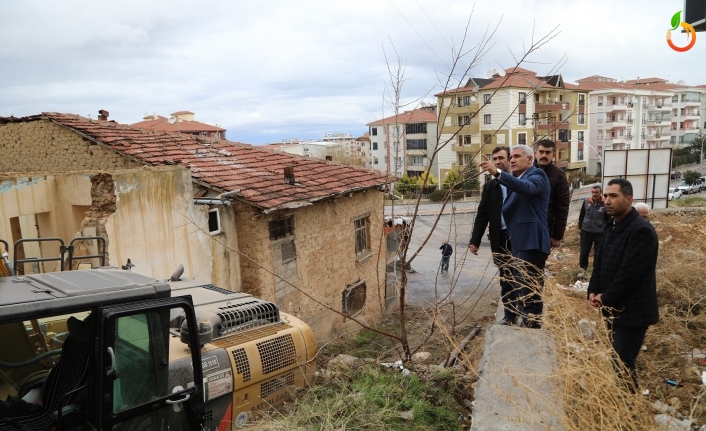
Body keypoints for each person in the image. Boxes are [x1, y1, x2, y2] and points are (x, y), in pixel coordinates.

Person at [587, 179, 659, 390]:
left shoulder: (641, 230)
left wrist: (606, 297)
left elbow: (629, 274)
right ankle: (621, 405)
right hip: (612, 308)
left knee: (623, 362)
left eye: (613, 196)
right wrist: (593, 290)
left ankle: (629, 412)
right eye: (606, 196)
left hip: (632, 312)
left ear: (629, 199)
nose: (607, 200)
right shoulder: (612, 225)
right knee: (616, 359)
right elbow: (600, 262)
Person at [479, 144, 550, 328]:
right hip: (519, 242)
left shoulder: (536, 175)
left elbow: (527, 188)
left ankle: (531, 325)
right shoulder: (516, 179)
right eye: (511, 157)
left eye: (517, 156)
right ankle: (523, 320)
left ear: (530, 159)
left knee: (529, 287)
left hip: (531, 240)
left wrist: (498, 173)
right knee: (519, 283)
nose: (512, 160)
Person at [468, 146, 516, 324]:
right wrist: (475, 240)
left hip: (518, 236)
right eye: (494, 159)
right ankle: (510, 315)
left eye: (501, 158)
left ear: (510, 159)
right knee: (506, 277)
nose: (497, 161)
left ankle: (524, 310)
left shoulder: (518, 181)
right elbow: (483, 215)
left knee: (520, 274)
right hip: (500, 238)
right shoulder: (490, 187)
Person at [535, 140, 570, 248]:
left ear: (553, 155)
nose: (544, 155)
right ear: (535, 153)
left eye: (547, 152)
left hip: (546, 228)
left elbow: (562, 207)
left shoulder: (559, 175)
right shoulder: (527, 171)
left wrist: (557, 235)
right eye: (541, 152)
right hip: (526, 227)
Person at [578, 184, 609, 274]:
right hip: (586, 231)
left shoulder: (605, 203)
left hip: (599, 232)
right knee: (584, 252)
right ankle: (582, 270)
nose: (594, 194)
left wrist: (606, 231)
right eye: (593, 192)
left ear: (601, 193)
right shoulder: (587, 201)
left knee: (598, 253)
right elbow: (582, 215)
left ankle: (596, 271)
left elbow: (608, 219)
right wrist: (580, 227)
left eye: (596, 192)